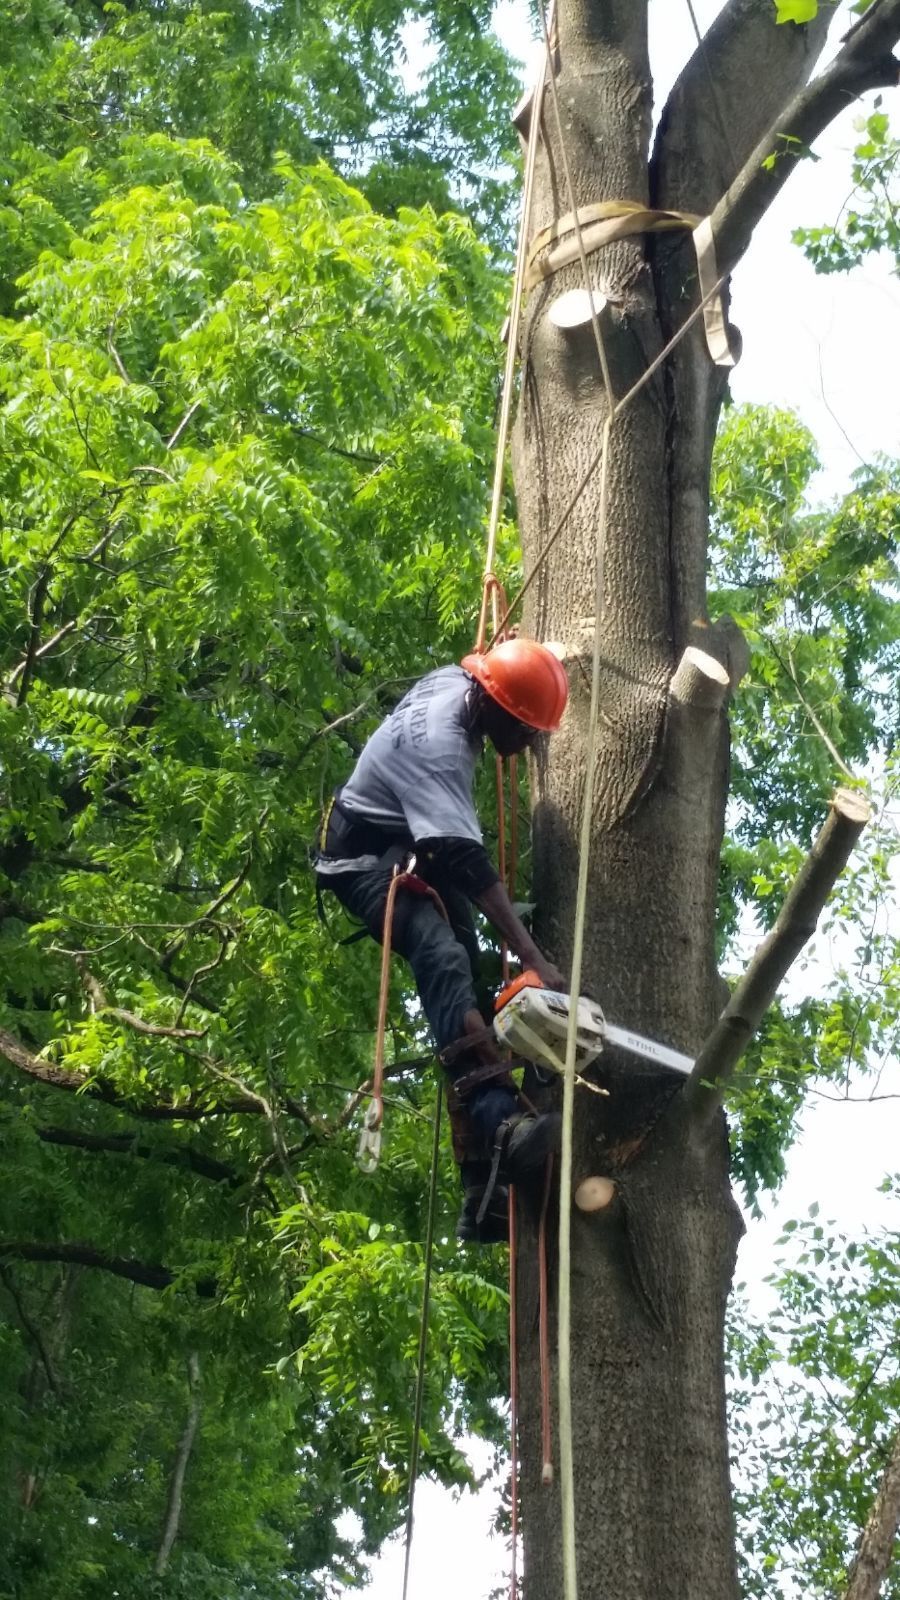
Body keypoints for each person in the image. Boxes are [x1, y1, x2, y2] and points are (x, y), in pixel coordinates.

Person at [315, 639, 569, 1242]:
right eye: (527, 731)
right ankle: (502, 1125)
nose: (532, 745)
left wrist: (541, 661)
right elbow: (467, 862)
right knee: (440, 954)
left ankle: (483, 1196)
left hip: (410, 843)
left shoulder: (464, 684)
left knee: (472, 986)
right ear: (496, 709)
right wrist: (534, 957)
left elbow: (484, 661)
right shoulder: (439, 749)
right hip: (364, 864)